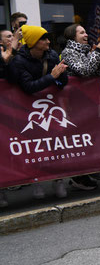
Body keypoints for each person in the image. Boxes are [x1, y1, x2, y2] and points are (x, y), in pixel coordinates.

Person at [8, 25, 69, 199]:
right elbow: (28, 87)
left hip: (51, 107)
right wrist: (52, 77)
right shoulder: (19, 61)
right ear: (33, 42)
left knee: (56, 146)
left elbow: (62, 81)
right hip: (26, 110)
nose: (48, 41)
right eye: (43, 39)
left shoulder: (51, 55)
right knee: (34, 148)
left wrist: (59, 76)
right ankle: (36, 182)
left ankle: (58, 180)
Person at [60, 23, 100, 190]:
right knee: (78, 141)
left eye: (85, 31)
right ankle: (77, 177)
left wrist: (95, 54)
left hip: (91, 101)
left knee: (91, 139)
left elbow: (99, 71)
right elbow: (85, 71)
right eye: (81, 32)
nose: (86, 34)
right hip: (75, 104)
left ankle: (87, 172)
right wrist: (98, 53)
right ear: (73, 36)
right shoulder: (68, 52)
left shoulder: (87, 51)